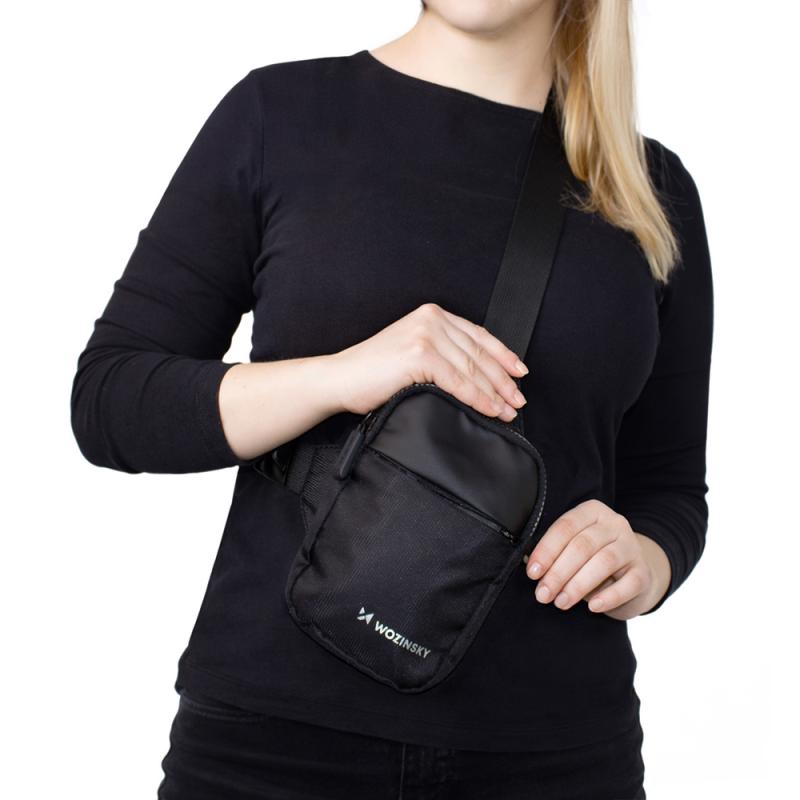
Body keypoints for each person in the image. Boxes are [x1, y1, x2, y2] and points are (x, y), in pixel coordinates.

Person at [69, 0, 714, 797]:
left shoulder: (650, 193)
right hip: (274, 743)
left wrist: (645, 560)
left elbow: (670, 490)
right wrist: (341, 375)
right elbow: (112, 400)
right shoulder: (282, 115)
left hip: (556, 752)